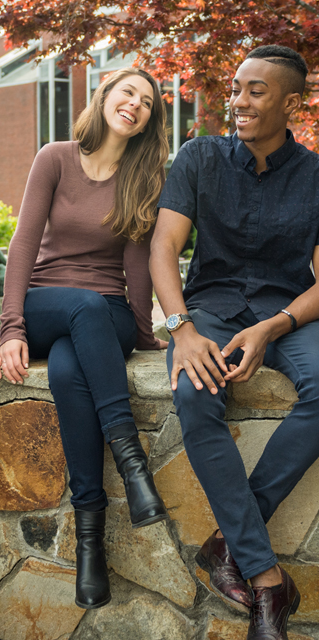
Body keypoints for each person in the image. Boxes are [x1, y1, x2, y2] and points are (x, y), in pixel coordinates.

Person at [150, 45, 319, 639]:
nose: (238, 102)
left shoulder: (318, 176)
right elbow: (163, 249)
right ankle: (267, 580)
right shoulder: (199, 157)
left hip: (290, 314)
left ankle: (229, 544)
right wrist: (183, 330)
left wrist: (275, 326)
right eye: (237, 88)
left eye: (256, 91)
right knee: (195, 394)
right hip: (213, 311)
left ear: (290, 104)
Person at [0, 67, 170, 609]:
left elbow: (137, 265)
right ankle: (132, 461)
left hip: (106, 315)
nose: (135, 105)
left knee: (73, 371)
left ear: (147, 121)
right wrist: (11, 328)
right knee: (83, 305)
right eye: (128, 93)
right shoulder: (55, 157)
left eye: (146, 102)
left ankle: (90, 543)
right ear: (104, 96)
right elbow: (23, 245)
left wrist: (143, 332)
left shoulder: (146, 178)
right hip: (51, 302)